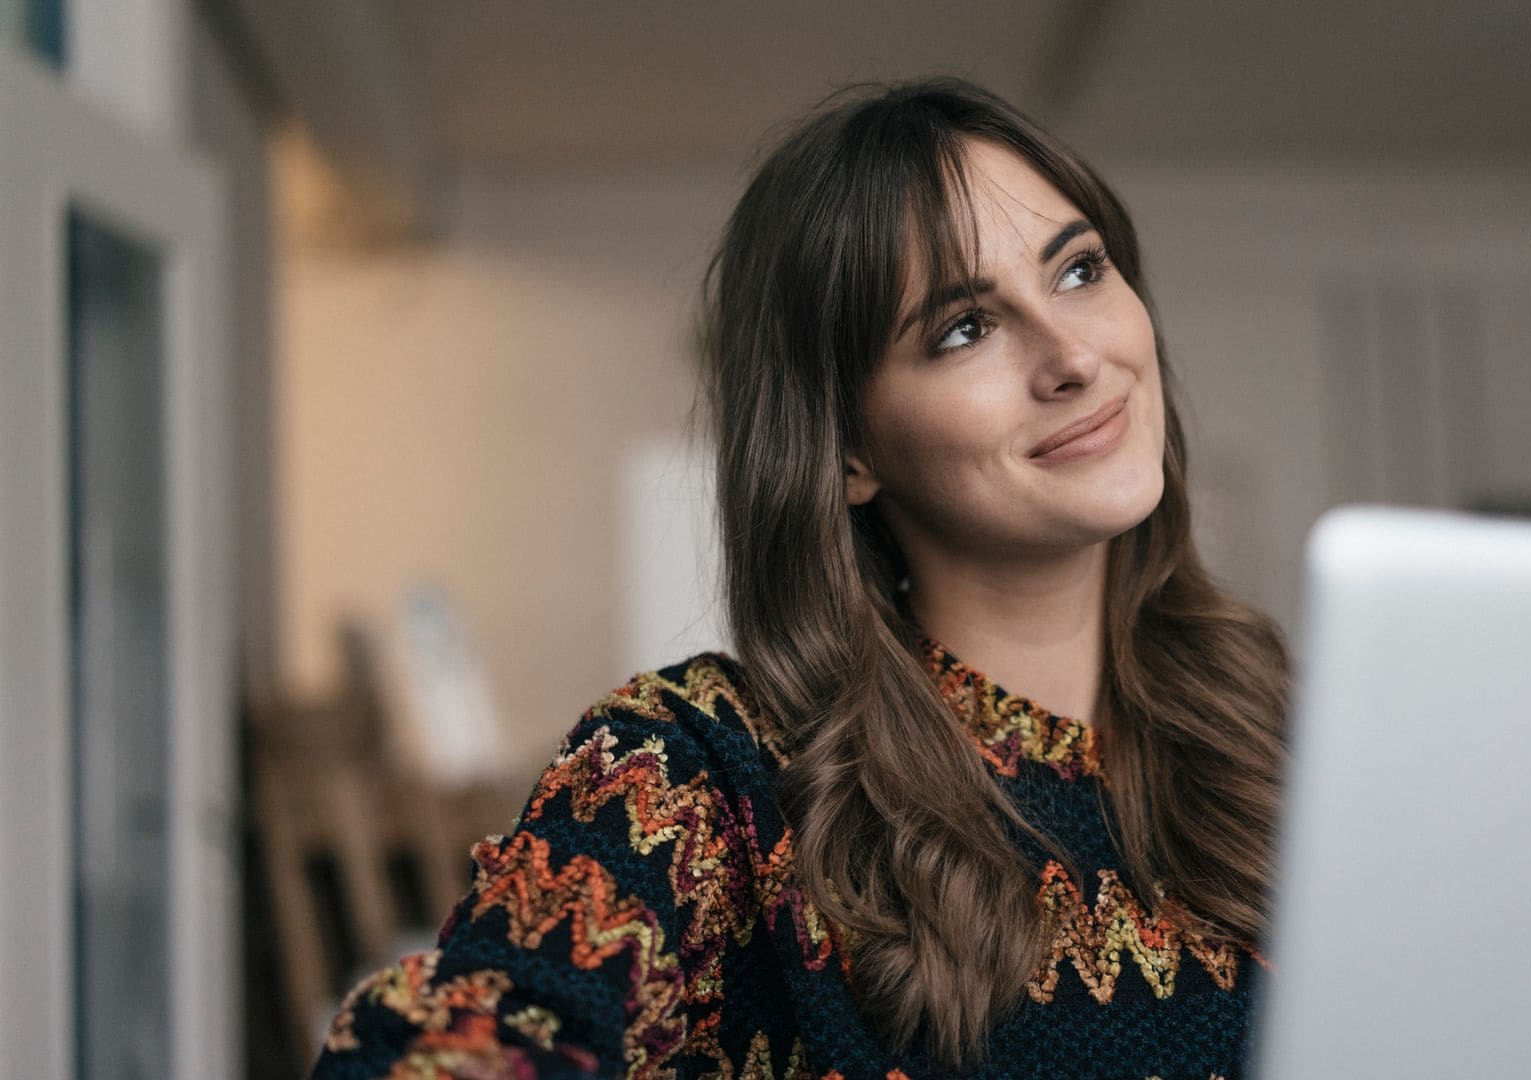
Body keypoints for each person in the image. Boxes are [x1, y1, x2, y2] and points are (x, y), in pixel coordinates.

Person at [313, 76, 1289, 1080]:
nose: (1075, 356)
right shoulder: (705, 771)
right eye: (964, 328)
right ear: (849, 451)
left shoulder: (1298, 725)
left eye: (1080, 271)